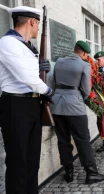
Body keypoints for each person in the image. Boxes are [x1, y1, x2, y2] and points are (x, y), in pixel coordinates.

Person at [0, 6, 54, 194]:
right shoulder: (8, 43)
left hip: (31, 104)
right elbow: (26, 77)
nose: (38, 29)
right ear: (32, 22)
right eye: (38, 24)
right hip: (15, 106)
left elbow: (32, 75)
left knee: (32, 160)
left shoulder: (27, 46)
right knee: (18, 161)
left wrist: (41, 69)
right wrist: (48, 90)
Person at [50, 41, 104, 184]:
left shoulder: (59, 62)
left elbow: (52, 81)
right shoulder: (84, 65)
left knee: (63, 140)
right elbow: (86, 91)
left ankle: (68, 172)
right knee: (82, 139)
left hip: (57, 106)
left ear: (74, 50)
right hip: (75, 106)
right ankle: (91, 173)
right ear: (84, 53)